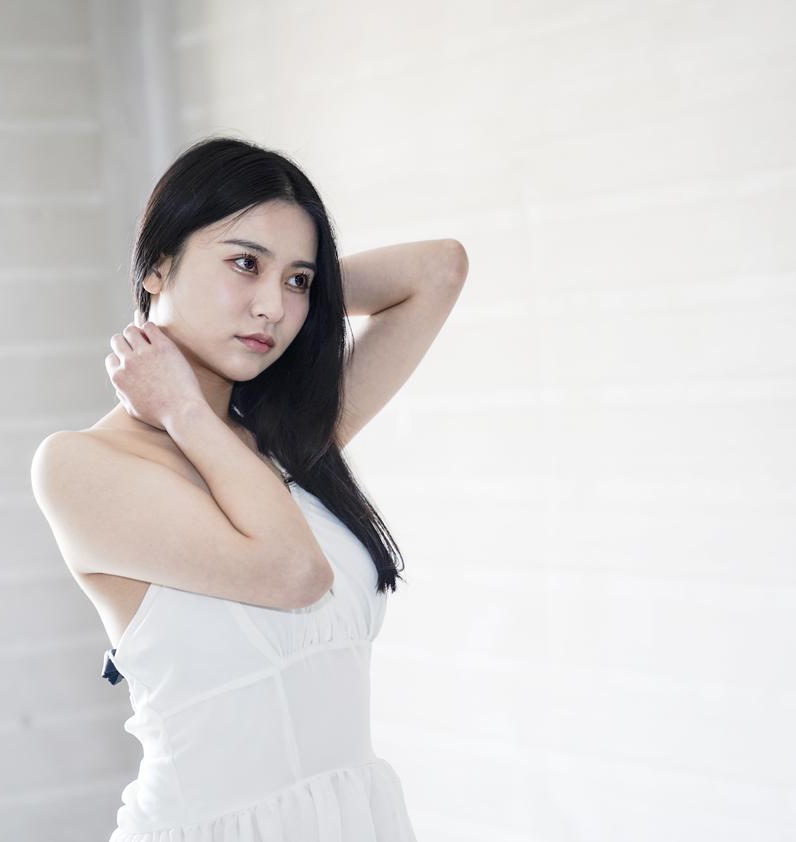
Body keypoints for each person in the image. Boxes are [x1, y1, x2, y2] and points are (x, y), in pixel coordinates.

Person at [30, 135, 468, 841]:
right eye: (244, 263)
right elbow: (296, 574)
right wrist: (182, 409)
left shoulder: (283, 444)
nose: (272, 307)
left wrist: (302, 292)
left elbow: (438, 270)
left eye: (297, 281)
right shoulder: (81, 466)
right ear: (158, 265)